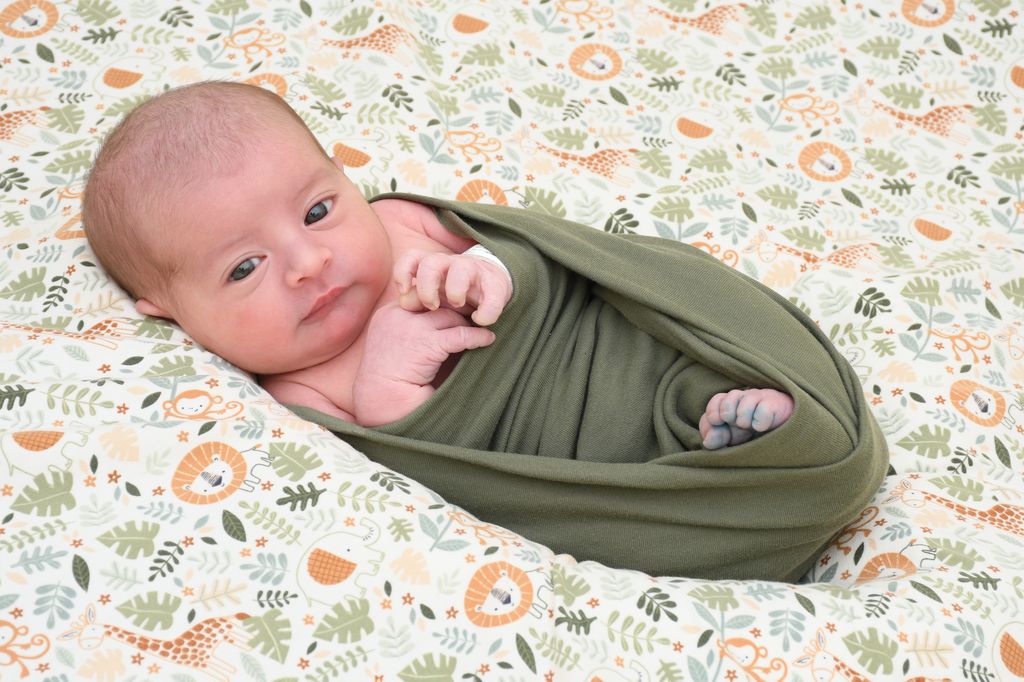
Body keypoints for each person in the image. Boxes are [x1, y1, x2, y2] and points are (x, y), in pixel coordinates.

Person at [83, 81, 792, 449]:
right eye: (244, 268)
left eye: (318, 210)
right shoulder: (298, 395)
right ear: (169, 313)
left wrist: (493, 270)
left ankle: (736, 404)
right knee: (630, 465)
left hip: (596, 347)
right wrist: (388, 388)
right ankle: (728, 457)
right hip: (569, 459)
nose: (308, 261)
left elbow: (546, 255)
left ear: (345, 178)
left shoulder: (399, 223)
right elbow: (424, 477)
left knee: (663, 346)